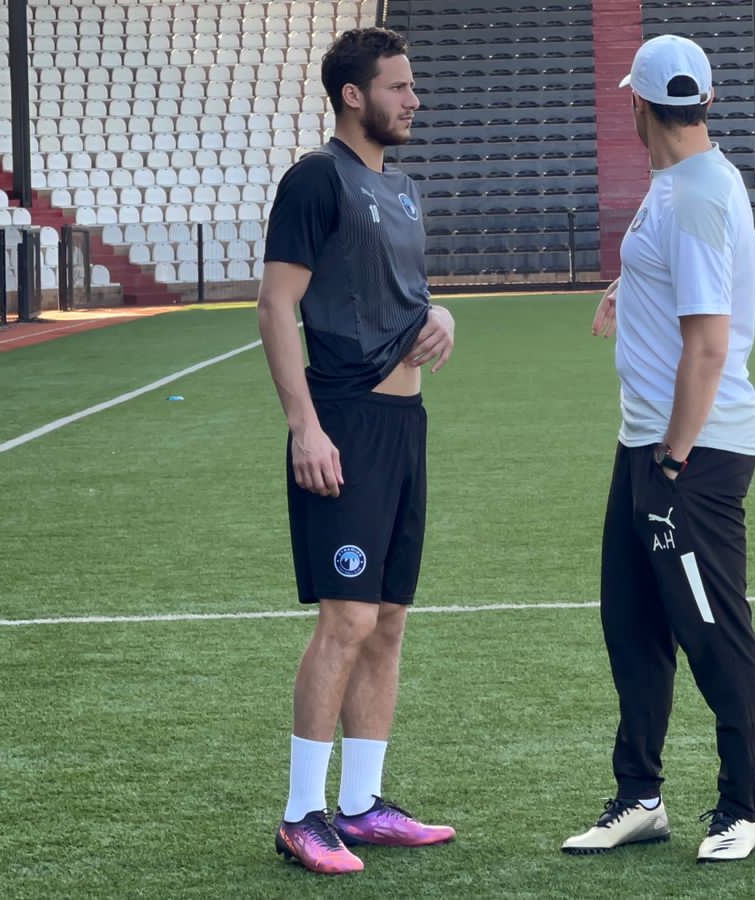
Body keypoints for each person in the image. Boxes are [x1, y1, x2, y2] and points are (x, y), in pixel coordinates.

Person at [561, 34, 755, 864]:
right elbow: (748, 264)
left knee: (712, 631)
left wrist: (675, 459)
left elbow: (710, 346)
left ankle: (739, 809)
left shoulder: (694, 197)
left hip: (690, 455)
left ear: (636, 106)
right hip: (645, 444)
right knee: (633, 622)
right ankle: (640, 798)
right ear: (706, 102)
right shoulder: (697, 181)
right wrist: (632, 286)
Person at [257, 26, 457, 876]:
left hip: (405, 427)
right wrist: (305, 426)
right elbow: (276, 305)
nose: (413, 99)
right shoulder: (315, 180)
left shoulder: (402, 191)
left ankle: (363, 805)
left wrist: (440, 314)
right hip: (342, 421)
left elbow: (403, 297)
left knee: (388, 622)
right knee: (346, 620)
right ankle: (301, 815)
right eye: (398, 86)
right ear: (353, 95)